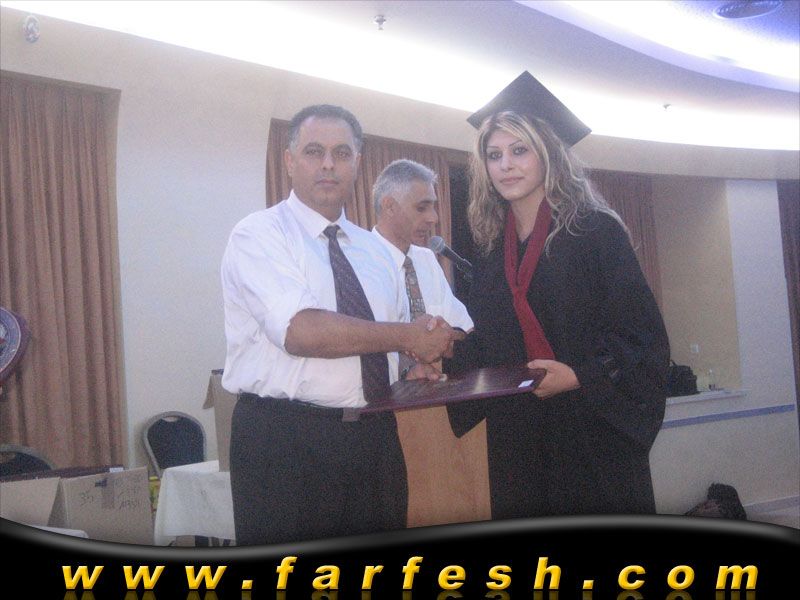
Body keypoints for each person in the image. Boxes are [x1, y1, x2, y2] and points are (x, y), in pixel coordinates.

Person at [220, 104, 463, 545]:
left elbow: (381, 348)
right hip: (286, 441)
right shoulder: (259, 234)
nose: (329, 164)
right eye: (314, 152)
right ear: (289, 161)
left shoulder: (374, 253)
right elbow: (301, 332)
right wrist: (408, 336)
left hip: (375, 436)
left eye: (342, 153)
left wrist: (410, 366)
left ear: (357, 163)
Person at [447, 72, 670, 519]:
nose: (505, 165)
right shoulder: (489, 250)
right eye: (494, 155)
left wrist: (579, 375)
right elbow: (490, 343)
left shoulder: (595, 233)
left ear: (548, 152)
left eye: (519, 150)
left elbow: (644, 340)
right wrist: (442, 355)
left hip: (591, 429)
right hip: (519, 436)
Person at [371, 159, 474, 361]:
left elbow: (464, 330)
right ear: (389, 206)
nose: (433, 218)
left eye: (433, 207)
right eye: (421, 208)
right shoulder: (358, 260)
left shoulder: (426, 259)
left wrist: (444, 334)